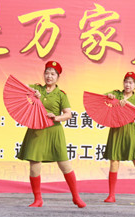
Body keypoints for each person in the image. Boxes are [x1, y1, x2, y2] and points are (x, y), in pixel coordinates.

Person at [16, 60, 86, 208]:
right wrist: (32, 93)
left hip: (54, 131)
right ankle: (38, 199)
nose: (49, 76)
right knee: (34, 166)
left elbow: (68, 114)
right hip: (36, 130)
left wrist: (56, 118)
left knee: (65, 165)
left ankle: (76, 197)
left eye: (53, 74)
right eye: (47, 73)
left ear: (58, 77)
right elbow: (20, 88)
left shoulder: (61, 95)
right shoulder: (37, 88)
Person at [102, 71, 135, 204]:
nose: (127, 85)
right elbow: (103, 99)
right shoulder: (117, 94)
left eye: (131, 83)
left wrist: (128, 105)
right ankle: (111, 195)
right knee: (114, 162)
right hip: (116, 130)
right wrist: (109, 96)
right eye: (126, 82)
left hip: (130, 131)